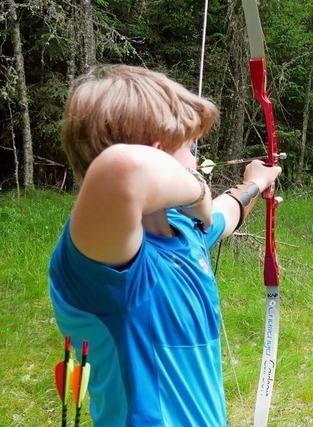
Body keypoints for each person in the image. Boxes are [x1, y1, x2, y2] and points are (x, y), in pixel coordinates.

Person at [48, 64, 281, 426]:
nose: (197, 162)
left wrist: (257, 180)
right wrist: (199, 191)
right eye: (190, 148)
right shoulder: (104, 269)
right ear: (158, 152)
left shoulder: (185, 230)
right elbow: (123, 170)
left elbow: (227, 211)